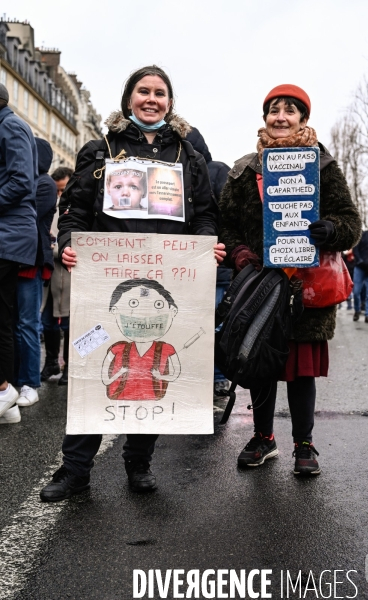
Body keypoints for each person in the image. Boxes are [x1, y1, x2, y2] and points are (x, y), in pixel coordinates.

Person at [40, 65, 223, 502]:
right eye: (144, 91)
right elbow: (76, 211)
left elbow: (206, 216)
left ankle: (138, 461)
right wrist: (67, 243)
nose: (152, 99)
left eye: (160, 93)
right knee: (89, 366)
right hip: (107, 286)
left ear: (170, 102)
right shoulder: (99, 149)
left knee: (153, 372)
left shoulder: (188, 155)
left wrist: (204, 249)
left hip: (166, 286)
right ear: (129, 98)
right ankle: (75, 469)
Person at [219, 84, 361, 476]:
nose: (280, 117)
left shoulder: (323, 166)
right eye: (273, 110)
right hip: (260, 285)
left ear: (303, 118)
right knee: (260, 363)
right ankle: (264, 438)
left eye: (290, 111)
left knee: (300, 372)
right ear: (265, 117)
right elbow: (225, 223)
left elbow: (352, 223)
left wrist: (330, 229)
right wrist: (240, 252)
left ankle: (305, 444)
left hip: (307, 288)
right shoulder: (245, 168)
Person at [0, 83, 38, 419]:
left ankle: (4, 388)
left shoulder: (9, 125)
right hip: (9, 232)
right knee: (5, 317)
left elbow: (21, 181)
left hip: (8, 234)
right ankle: (6, 403)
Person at [185, 126, 232, 398]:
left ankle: (212, 376)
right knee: (212, 324)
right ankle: (215, 377)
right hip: (214, 264)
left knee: (207, 322)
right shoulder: (218, 170)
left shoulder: (213, 171)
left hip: (212, 264)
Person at [14, 138, 57, 407]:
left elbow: (26, 213)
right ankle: (16, 379)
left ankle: (30, 382)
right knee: (16, 324)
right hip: (17, 256)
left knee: (27, 324)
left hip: (30, 259)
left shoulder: (44, 183)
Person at [40, 167, 73, 386]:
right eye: (58, 191)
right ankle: (52, 362)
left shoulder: (76, 209)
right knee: (48, 322)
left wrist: (54, 247)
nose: (60, 195)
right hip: (49, 276)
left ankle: (70, 366)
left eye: (63, 190)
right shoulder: (51, 207)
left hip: (69, 277)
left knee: (70, 323)